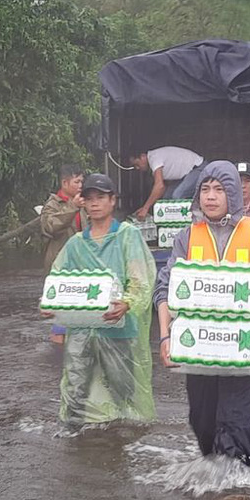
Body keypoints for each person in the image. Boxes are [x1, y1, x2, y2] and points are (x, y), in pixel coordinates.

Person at [154, 160, 250, 468]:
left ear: (232, 194)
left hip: (243, 352)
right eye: (205, 189)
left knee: (233, 427)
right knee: (202, 426)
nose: (211, 196)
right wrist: (165, 336)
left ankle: (238, 499)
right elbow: (164, 289)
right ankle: (218, 490)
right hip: (198, 352)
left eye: (219, 189)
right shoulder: (187, 238)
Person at [44, 173, 156, 429]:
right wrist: (51, 308)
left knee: (121, 385)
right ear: (82, 202)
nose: (95, 204)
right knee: (75, 384)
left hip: (119, 328)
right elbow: (58, 281)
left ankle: (124, 440)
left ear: (112, 201)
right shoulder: (75, 244)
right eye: (89, 198)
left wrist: (127, 303)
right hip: (81, 329)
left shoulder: (128, 236)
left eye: (101, 198)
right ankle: (73, 434)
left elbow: (141, 280)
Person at [37, 167, 86, 345]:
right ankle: (57, 357)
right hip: (60, 267)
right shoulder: (53, 204)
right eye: (76, 182)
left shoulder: (83, 204)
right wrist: (73, 207)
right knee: (61, 315)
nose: (80, 185)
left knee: (81, 310)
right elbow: (50, 227)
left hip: (82, 265)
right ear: (65, 183)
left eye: (82, 181)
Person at [131, 145, 204, 219]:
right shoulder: (154, 161)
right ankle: (169, 226)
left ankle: (192, 221)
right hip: (186, 175)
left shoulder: (154, 158)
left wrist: (145, 208)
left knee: (178, 195)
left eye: (137, 164)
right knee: (167, 198)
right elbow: (162, 189)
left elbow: (159, 186)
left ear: (143, 156)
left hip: (198, 168)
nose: (137, 168)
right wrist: (146, 208)